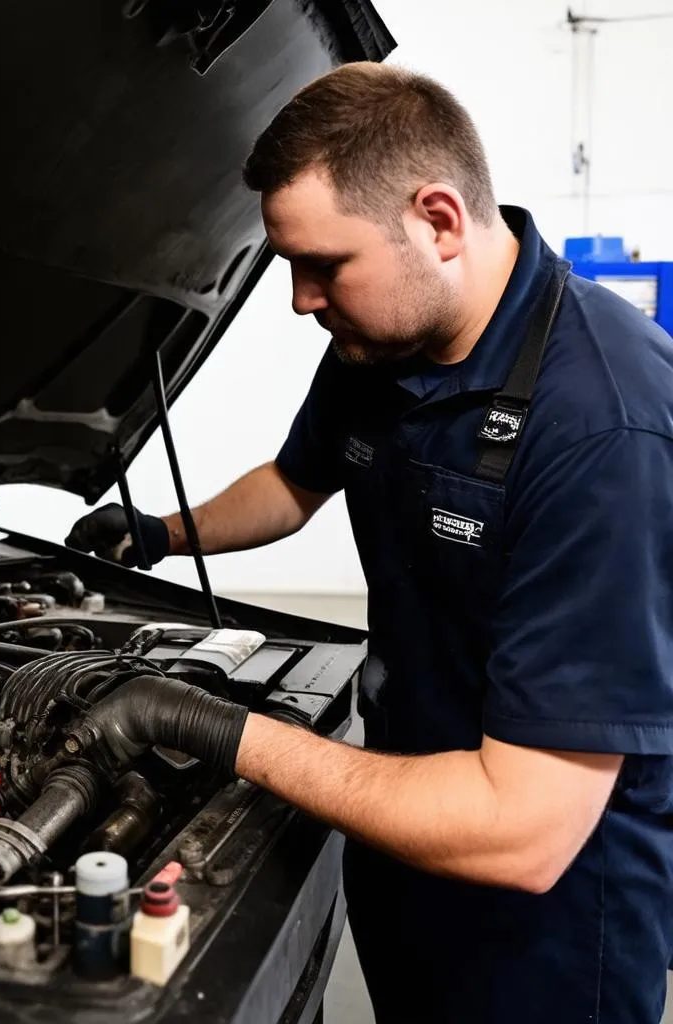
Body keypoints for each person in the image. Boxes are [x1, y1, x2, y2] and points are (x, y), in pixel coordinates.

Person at [64, 63, 673, 1023]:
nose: (302, 301)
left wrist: (213, 725)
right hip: (397, 826)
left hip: (546, 923)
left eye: (324, 266)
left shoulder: (605, 427)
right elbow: (294, 484)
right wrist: (159, 533)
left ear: (436, 219)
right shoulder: (380, 342)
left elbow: (523, 833)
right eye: (289, 266)